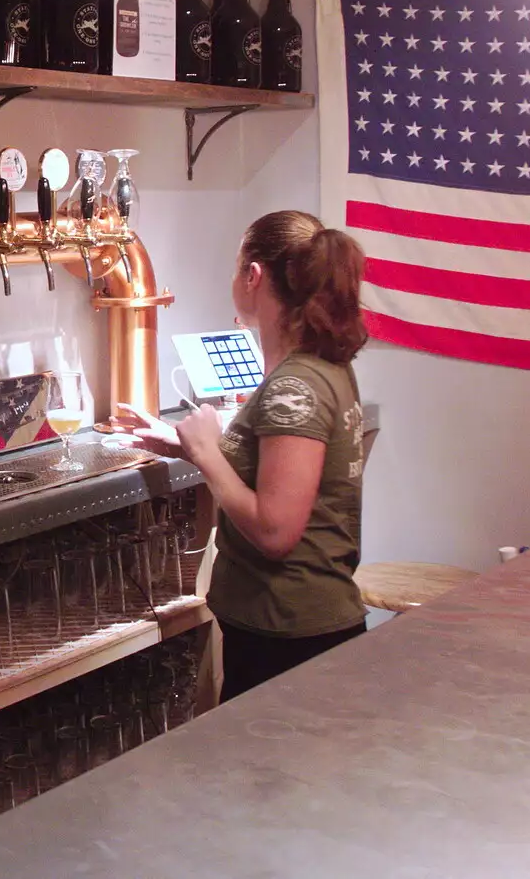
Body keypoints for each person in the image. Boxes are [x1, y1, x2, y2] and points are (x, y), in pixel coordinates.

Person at [120, 210, 368, 702]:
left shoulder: (292, 387)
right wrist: (183, 443)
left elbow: (276, 531)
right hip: (296, 626)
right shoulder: (317, 369)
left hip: (286, 633)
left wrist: (210, 454)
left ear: (253, 276)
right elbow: (272, 468)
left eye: (237, 268)